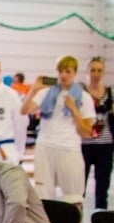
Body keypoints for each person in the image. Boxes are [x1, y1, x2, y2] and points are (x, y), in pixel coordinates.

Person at [21, 55, 95, 205]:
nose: (63, 75)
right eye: (60, 71)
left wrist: (74, 109)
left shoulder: (84, 97)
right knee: (44, 195)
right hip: (45, 146)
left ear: (74, 72)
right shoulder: (46, 93)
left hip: (69, 147)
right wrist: (34, 89)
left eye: (67, 71)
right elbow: (24, 110)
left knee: (74, 196)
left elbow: (87, 132)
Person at [82, 56, 113, 210]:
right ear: (87, 71)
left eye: (99, 70)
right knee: (79, 188)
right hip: (84, 144)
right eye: (93, 70)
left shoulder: (110, 92)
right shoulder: (80, 91)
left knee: (102, 189)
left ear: (104, 72)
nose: (96, 73)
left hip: (105, 145)